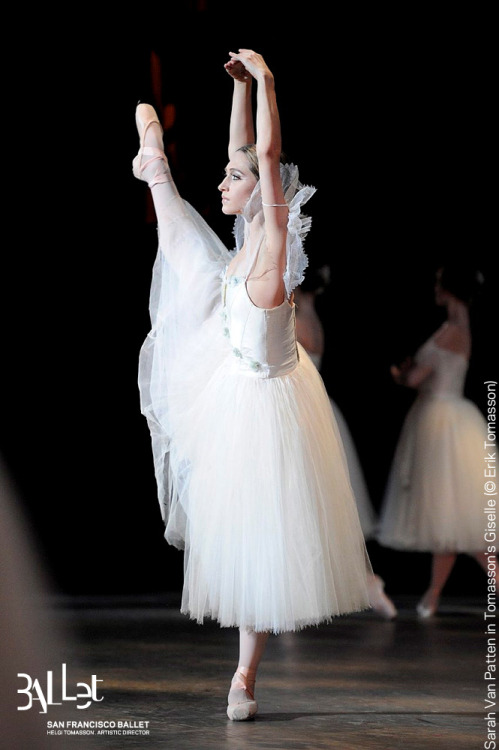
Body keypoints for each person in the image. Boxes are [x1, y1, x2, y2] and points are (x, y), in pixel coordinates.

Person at [134, 49, 372, 721]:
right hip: (230, 378)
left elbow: (263, 155)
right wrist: (236, 90)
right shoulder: (244, 241)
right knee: (186, 251)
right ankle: (153, 168)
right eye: (225, 174)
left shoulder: (270, 248)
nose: (225, 180)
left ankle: (243, 675)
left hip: (266, 403)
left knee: (258, 540)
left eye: (230, 178)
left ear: (260, 192)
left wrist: (266, 81)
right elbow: (242, 147)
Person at [376, 263, 495, 617]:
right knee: (451, 523)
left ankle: (433, 595)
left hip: (445, 426)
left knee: (457, 522)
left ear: (450, 290)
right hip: (446, 420)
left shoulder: (451, 331)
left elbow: (417, 379)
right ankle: (432, 595)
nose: (435, 289)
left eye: (440, 284)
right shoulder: (456, 328)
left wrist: (400, 374)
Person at [294, 271, 397, 620]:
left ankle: (309, 594)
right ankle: (363, 583)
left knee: (304, 506)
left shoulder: (295, 316)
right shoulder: (313, 316)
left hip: (303, 412)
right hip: (318, 410)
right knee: (319, 508)